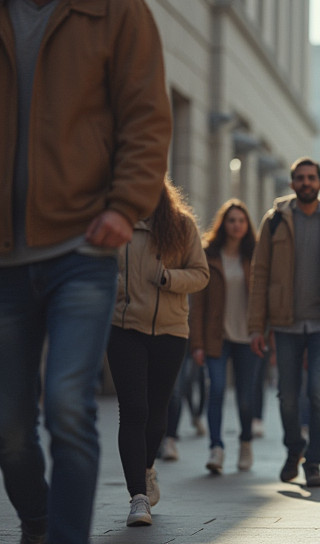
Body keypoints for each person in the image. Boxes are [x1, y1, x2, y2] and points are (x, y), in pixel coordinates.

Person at [0, 1, 171, 542]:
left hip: (81, 246)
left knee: (69, 406)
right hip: (4, 257)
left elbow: (146, 115)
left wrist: (125, 205)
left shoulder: (116, 10)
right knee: (9, 427)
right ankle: (38, 521)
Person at [248, 157, 320, 488]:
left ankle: (314, 463)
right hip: (285, 323)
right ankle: (294, 449)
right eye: (300, 178)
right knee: (287, 395)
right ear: (293, 183)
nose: (306, 182)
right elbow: (260, 273)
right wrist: (256, 325)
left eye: (311, 178)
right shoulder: (275, 222)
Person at [107, 179, 209, 527]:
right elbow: (101, 268)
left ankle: (147, 467)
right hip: (124, 329)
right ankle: (138, 497)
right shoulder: (118, 222)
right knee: (133, 410)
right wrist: (119, 287)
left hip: (170, 331)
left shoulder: (182, 225)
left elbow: (201, 274)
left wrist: (168, 279)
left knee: (157, 412)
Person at [189, 199, 262, 473]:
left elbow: (264, 298)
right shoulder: (209, 255)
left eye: (241, 220)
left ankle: (245, 442)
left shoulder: (255, 257)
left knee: (245, 397)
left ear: (247, 225)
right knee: (216, 390)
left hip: (247, 337)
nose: (236, 225)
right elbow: (198, 305)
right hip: (216, 337)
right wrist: (196, 343)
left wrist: (263, 331)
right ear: (224, 224)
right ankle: (216, 448)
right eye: (231, 220)